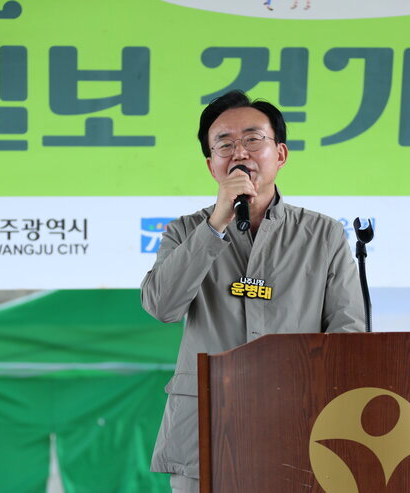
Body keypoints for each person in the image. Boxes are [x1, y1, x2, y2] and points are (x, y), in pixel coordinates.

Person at [141, 90, 365, 493]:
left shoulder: (323, 234)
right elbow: (161, 306)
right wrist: (215, 224)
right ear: (211, 165)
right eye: (224, 144)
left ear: (280, 154)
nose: (239, 152)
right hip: (205, 433)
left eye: (252, 139)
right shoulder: (185, 232)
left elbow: (348, 332)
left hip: (299, 426)